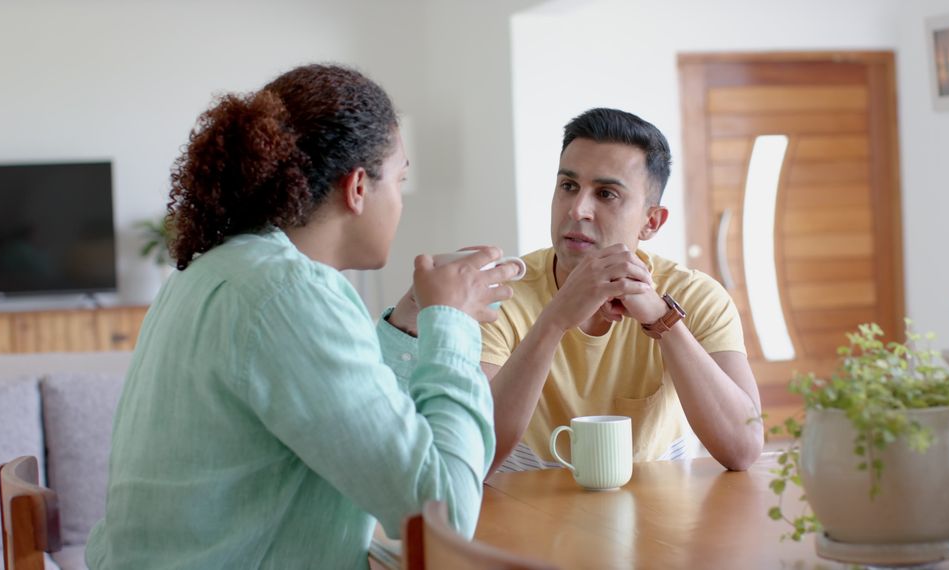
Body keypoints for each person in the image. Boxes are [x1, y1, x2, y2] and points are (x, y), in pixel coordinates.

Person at [85, 64, 517, 569]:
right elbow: (443, 512)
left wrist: (409, 324)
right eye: (399, 179)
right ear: (358, 187)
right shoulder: (289, 295)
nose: (399, 199)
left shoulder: (219, 268)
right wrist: (453, 324)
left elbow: (340, 415)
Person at [481, 108, 763, 472]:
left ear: (651, 221)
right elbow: (476, 455)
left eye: (606, 194)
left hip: (661, 517)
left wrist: (664, 322)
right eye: (568, 187)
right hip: (526, 509)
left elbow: (742, 449)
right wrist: (554, 320)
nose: (578, 209)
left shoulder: (696, 297)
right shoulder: (498, 294)